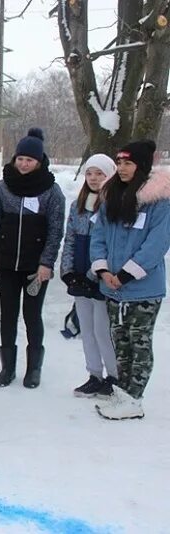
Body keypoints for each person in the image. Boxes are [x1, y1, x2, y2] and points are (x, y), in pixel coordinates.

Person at [90, 140, 170, 420]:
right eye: (120, 163)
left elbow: (157, 244)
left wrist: (125, 274)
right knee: (119, 342)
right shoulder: (111, 196)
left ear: (142, 166)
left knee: (139, 342)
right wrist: (103, 270)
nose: (122, 168)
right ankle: (122, 393)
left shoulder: (158, 201)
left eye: (128, 163)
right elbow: (98, 235)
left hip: (142, 288)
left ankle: (135, 398)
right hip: (112, 286)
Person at [0, 128, 65, 389]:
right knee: (7, 315)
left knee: (32, 316)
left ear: (39, 162)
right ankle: (7, 367)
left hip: (34, 267)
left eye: (29, 160)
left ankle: (34, 368)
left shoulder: (51, 192)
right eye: (20, 159)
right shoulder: (4, 186)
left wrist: (47, 263)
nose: (23, 164)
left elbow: (55, 230)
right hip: (6, 264)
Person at [60, 154, 118, 397]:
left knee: (102, 329)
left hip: (100, 275)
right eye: (90, 173)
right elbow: (71, 238)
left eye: (100, 174)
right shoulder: (77, 205)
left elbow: (109, 244)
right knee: (86, 327)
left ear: (110, 176)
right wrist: (68, 271)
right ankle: (94, 373)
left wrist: (94, 273)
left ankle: (114, 377)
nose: (94, 179)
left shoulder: (113, 205)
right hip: (79, 276)